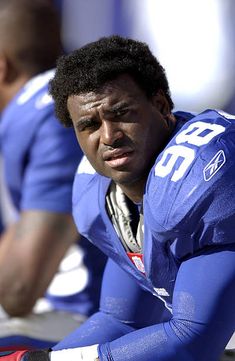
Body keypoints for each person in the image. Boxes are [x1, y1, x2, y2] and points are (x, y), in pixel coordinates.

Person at [2, 35, 235, 360]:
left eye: (122, 113)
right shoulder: (102, 194)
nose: (109, 137)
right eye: (90, 125)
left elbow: (192, 340)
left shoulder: (207, 170)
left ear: (161, 106)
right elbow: (122, 322)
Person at [0, 0, 106, 350]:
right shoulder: (60, 97)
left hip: (97, 316)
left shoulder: (51, 115)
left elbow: (19, 289)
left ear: (2, 66)